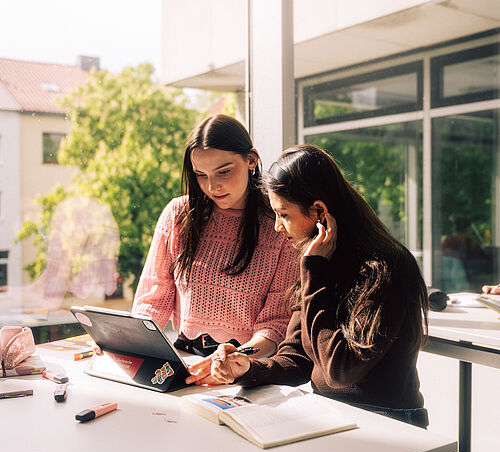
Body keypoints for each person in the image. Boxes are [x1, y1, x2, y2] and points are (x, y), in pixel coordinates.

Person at [187, 144, 430, 428]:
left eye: (284, 214)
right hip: (331, 415)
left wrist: (314, 272)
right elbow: (298, 358)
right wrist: (248, 368)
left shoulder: (385, 268)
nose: (278, 227)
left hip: (389, 423)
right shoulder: (319, 262)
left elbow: (340, 370)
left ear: (319, 212)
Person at [132, 114, 297, 370]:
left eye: (224, 172)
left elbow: (276, 323)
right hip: (184, 360)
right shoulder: (179, 215)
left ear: (251, 160)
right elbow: (153, 300)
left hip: (246, 366)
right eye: (201, 174)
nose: (213, 186)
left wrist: (236, 360)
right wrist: (127, 340)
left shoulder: (279, 223)